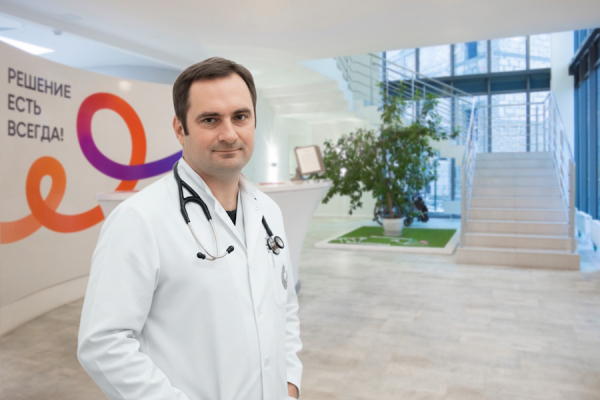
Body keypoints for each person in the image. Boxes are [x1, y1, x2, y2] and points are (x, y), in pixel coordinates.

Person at [78, 57, 302, 400]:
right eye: (210, 119)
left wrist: (290, 382)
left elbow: (284, 307)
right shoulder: (139, 219)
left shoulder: (268, 212)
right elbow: (103, 344)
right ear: (180, 129)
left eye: (240, 117)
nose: (229, 134)